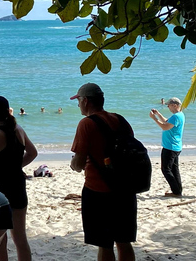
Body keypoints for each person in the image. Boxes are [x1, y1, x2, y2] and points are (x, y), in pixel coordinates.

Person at [70, 83, 136, 261]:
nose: (77, 105)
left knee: (105, 244)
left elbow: (78, 163)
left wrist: (74, 164)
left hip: (98, 191)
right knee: (124, 242)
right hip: (125, 188)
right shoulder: (120, 119)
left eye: (78, 100)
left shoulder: (86, 124)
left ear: (85, 101)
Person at [0, 95, 37, 261]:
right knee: (20, 239)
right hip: (17, 186)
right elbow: (33, 153)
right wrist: (16, 167)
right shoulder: (19, 130)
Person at [149, 97, 185, 197]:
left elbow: (165, 127)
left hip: (170, 147)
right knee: (174, 169)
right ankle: (177, 191)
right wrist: (158, 114)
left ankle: (176, 191)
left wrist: (154, 119)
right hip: (175, 146)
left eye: (169, 105)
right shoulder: (179, 115)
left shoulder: (176, 116)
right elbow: (167, 121)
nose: (168, 107)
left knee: (166, 169)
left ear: (175, 105)